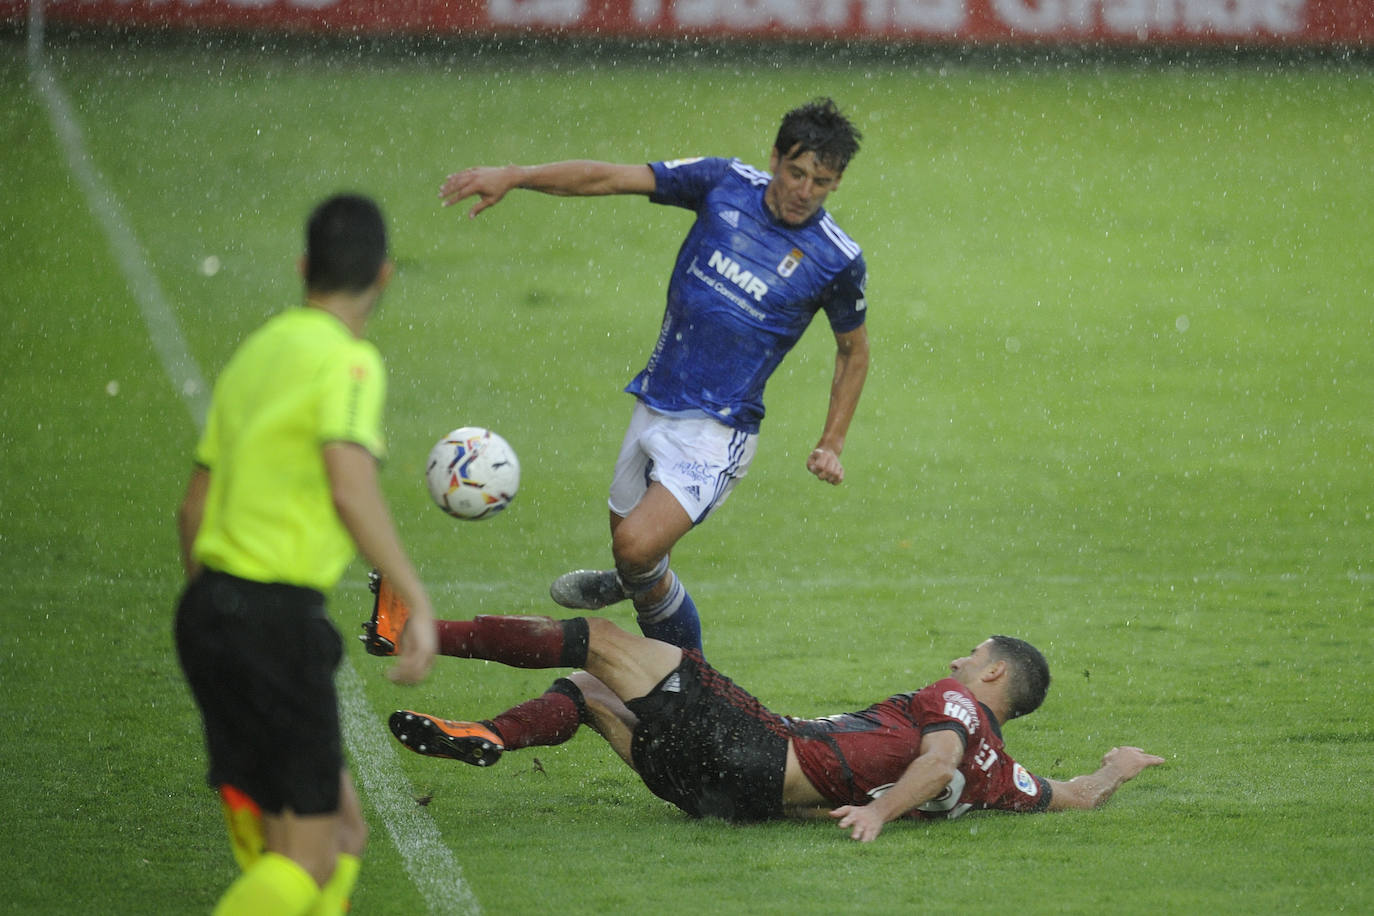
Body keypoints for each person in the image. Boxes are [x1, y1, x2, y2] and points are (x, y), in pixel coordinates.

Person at [438, 98, 870, 652]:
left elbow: (853, 352)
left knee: (638, 548)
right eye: (796, 172)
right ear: (775, 158)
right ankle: (664, 656)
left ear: (836, 183)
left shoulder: (836, 259)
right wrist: (517, 176)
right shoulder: (722, 182)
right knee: (640, 567)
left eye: (822, 181)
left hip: (719, 429)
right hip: (654, 399)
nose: (804, 190)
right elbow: (608, 178)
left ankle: (693, 690)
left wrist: (831, 442)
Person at [363, 596, 1164, 841]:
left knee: (602, 644)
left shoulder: (956, 710)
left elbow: (940, 759)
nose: (955, 663)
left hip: (754, 750)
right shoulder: (1008, 778)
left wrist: (882, 811)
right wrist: (1116, 769)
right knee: (589, 690)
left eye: (970, 656)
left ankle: (414, 630)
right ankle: (492, 735)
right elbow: (1075, 795)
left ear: (992, 675)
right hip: (719, 800)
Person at [175, 193, 439, 914]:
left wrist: (221, 616)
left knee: (343, 834)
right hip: (275, 620)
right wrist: (412, 596)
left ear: (302, 268)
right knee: (310, 856)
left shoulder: (257, 353)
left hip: (207, 611)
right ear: (384, 277)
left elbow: (193, 510)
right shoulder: (349, 364)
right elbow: (350, 486)